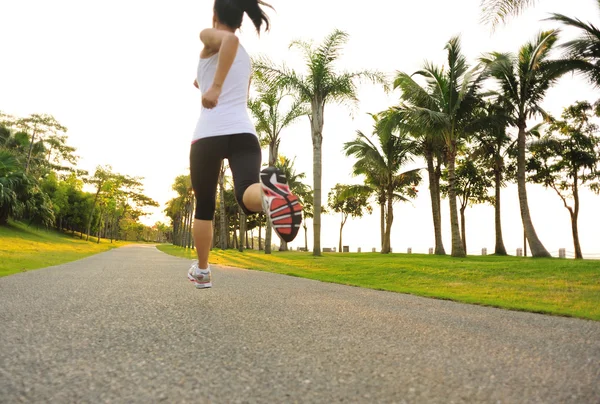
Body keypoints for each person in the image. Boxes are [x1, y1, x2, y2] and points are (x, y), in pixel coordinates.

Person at [188, 0, 302, 289]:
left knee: (204, 206)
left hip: (209, 134)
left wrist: (213, 87)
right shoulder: (246, 60)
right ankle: (267, 196)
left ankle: (202, 270)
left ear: (214, 16)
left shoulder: (210, 36)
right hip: (243, 134)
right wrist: (204, 81)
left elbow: (229, 41)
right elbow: (237, 89)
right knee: (245, 193)